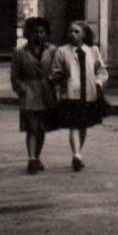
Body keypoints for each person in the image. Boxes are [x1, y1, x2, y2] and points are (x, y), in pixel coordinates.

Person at [50, 20, 108, 170]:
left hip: (89, 92)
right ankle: (76, 154)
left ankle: (78, 152)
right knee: (74, 124)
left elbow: (101, 70)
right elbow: (55, 73)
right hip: (71, 93)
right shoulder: (62, 51)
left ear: (84, 34)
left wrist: (99, 82)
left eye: (77, 32)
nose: (73, 34)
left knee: (83, 125)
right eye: (71, 31)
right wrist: (59, 83)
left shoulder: (93, 51)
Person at [10, 16, 57, 174]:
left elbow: (58, 70)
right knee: (31, 127)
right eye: (35, 32)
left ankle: (36, 157)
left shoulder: (52, 51)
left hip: (46, 92)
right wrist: (21, 90)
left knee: (41, 128)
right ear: (28, 33)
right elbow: (14, 76)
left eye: (42, 32)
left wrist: (54, 81)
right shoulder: (19, 52)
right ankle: (31, 159)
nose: (39, 35)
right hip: (29, 91)